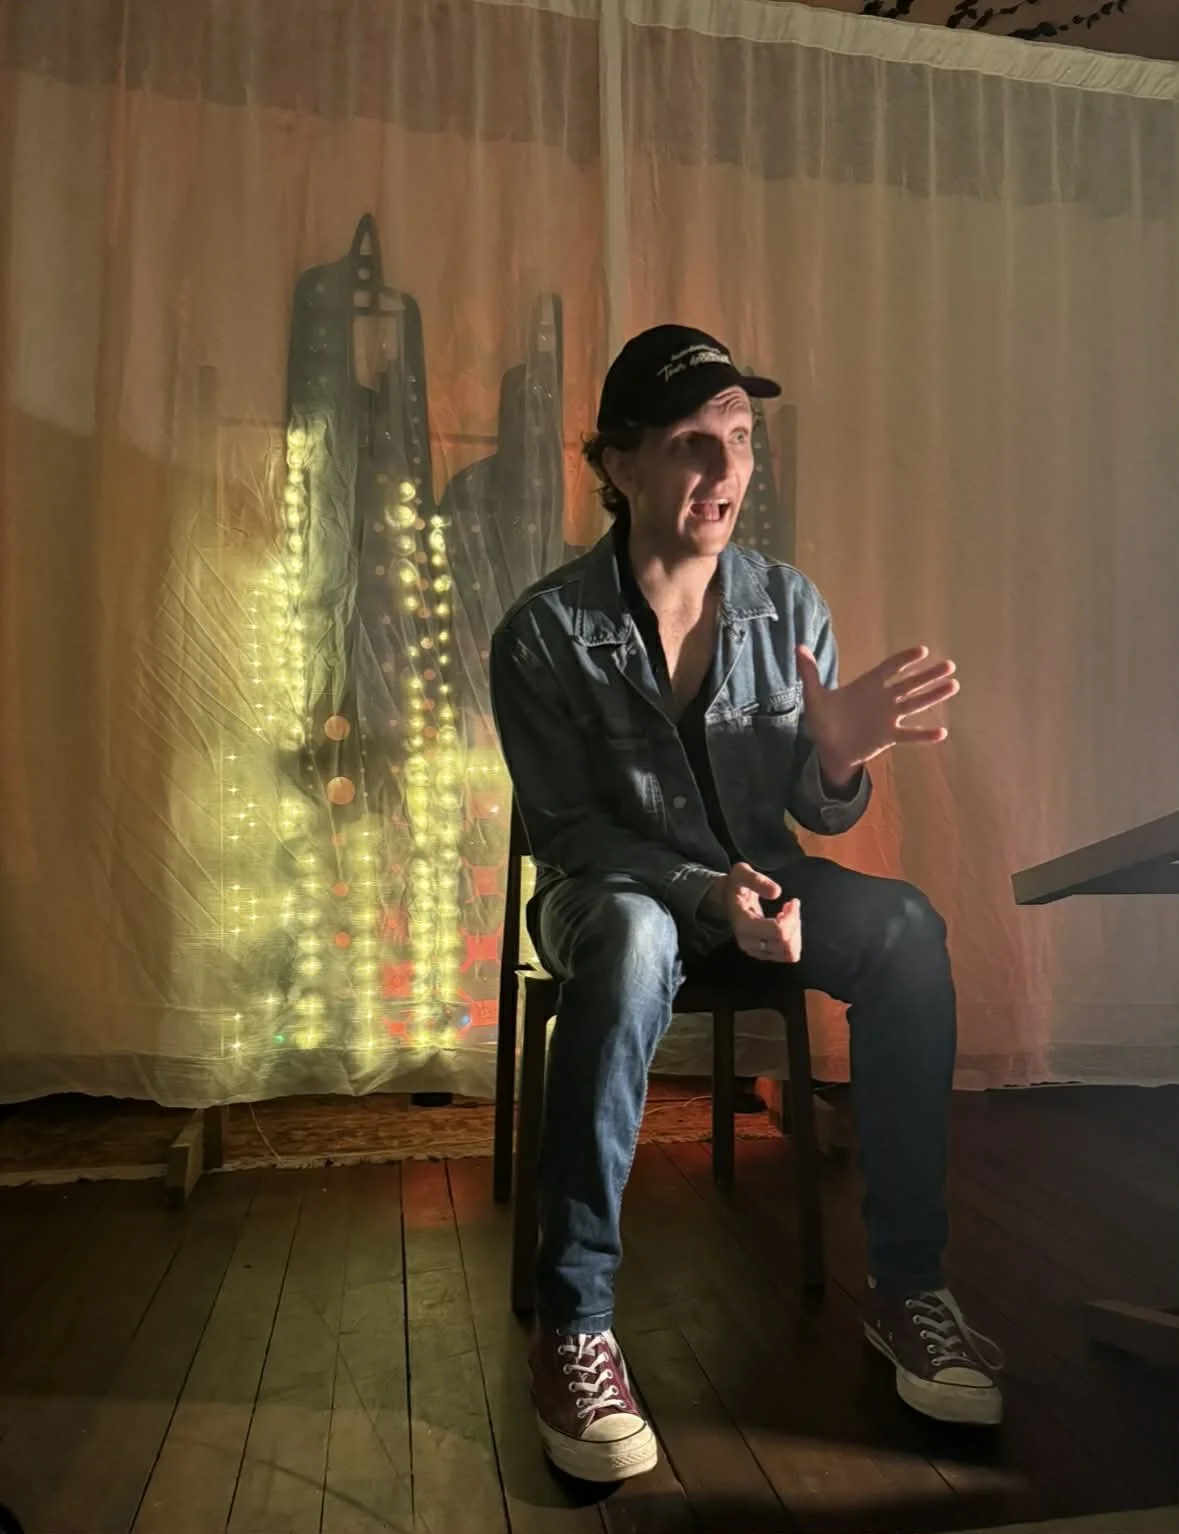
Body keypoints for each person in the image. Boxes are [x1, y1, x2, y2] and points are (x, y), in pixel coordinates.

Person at [488, 324, 1002, 1484]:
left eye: (740, 439)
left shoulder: (788, 606)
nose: (724, 474)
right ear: (615, 465)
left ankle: (911, 1294)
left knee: (909, 928)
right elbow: (572, 837)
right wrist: (705, 891)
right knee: (628, 935)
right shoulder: (541, 633)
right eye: (689, 444)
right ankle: (574, 1327)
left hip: (766, 888)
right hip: (610, 896)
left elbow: (813, 821)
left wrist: (837, 760)